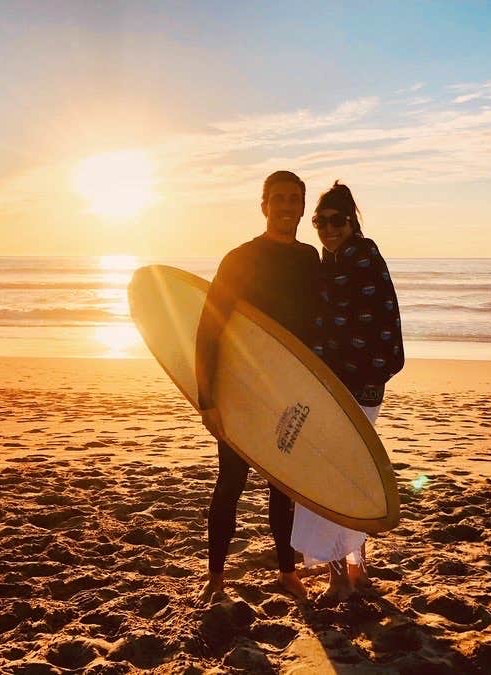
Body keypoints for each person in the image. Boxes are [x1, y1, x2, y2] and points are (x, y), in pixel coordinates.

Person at [195, 170, 320, 602]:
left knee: (283, 487)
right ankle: (215, 578)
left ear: (303, 206)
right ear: (264, 205)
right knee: (230, 483)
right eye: (278, 198)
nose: (287, 206)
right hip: (241, 390)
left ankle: (287, 572)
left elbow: (315, 332)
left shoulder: (310, 259)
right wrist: (207, 399)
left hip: (289, 392)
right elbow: (209, 328)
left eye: (294, 199)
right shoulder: (240, 258)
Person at [291, 180, 404, 600]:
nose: (328, 228)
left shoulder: (361, 258)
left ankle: (342, 577)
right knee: (349, 473)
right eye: (320, 222)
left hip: (353, 385)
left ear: (352, 221)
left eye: (336, 221)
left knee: (333, 475)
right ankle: (355, 569)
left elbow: (373, 321)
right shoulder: (335, 260)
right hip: (345, 384)